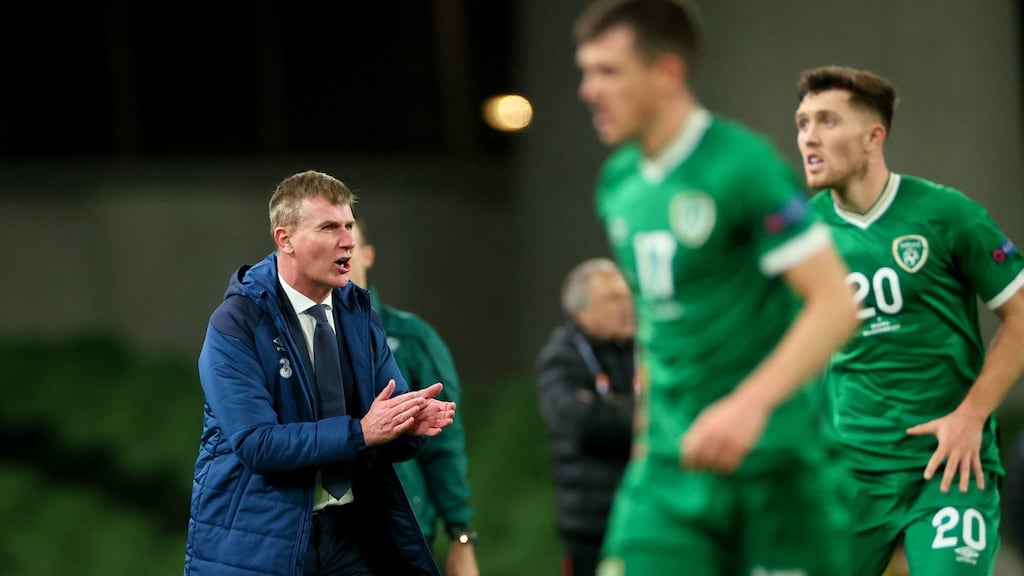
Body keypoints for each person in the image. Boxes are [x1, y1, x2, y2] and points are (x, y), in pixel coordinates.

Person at [572, 1, 862, 574]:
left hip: (775, 468)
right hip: (670, 472)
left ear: (667, 72)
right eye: (586, 71)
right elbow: (655, 324)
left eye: (608, 71)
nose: (588, 90)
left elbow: (835, 305)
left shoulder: (744, 167)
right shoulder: (619, 184)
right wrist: (645, 446)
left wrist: (747, 408)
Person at [795, 65, 1024, 576]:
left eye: (827, 121)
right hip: (851, 471)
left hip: (951, 466)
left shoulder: (947, 214)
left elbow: (1021, 315)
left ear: (873, 136)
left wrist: (972, 416)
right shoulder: (803, 234)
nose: (808, 136)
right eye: (803, 122)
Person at [183, 169, 456, 576]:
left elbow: (382, 425)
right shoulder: (236, 322)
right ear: (285, 239)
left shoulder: (360, 314)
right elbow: (257, 444)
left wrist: (407, 425)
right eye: (329, 227)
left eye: (348, 226)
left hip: (350, 538)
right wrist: (361, 432)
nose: (348, 241)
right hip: (260, 543)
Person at [347, 217, 479, 576]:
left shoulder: (412, 338)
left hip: (401, 529)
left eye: (350, 244)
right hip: (328, 534)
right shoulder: (299, 336)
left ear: (368, 255)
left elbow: (444, 442)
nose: (341, 252)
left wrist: (462, 536)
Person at [534, 258, 637, 576]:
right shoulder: (561, 356)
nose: (627, 307)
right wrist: (641, 413)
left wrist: (611, 407)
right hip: (591, 529)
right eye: (613, 299)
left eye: (628, 296)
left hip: (645, 515)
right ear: (581, 311)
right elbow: (580, 423)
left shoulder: (642, 349)